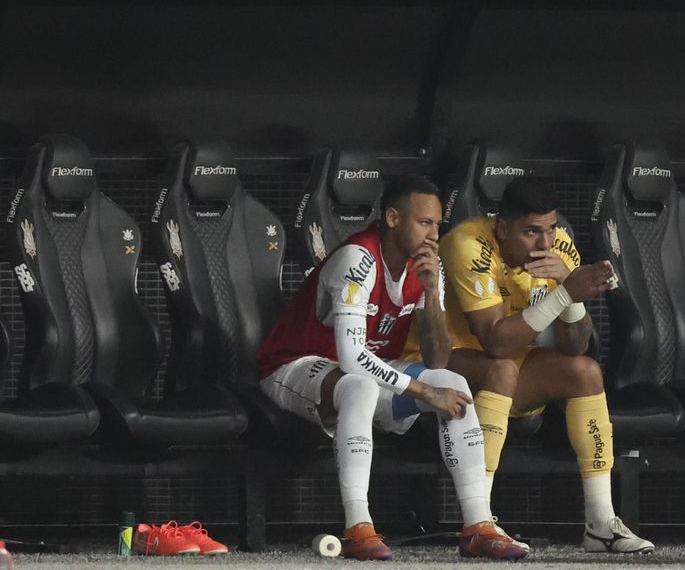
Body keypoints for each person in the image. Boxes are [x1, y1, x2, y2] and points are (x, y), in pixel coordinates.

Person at [257, 174, 527, 562]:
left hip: (369, 369)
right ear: (393, 218)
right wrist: (424, 392)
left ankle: (478, 527)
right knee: (360, 386)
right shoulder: (358, 259)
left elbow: (437, 359)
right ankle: (358, 527)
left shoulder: (428, 266)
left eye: (437, 224)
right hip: (292, 366)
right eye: (424, 222)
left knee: (452, 381)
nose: (433, 235)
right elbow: (351, 358)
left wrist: (431, 293)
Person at [440, 177, 654, 554]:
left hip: (508, 365)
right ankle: (479, 522)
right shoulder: (469, 244)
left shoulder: (560, 248)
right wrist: (566, 293)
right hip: (440, 363)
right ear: (502, 229)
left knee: (584, 372)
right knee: (501, 368)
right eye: (531, 232)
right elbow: (495, 343)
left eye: (551, 228)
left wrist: (571, 298)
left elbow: (576, 344)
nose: (545, 243)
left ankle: (600, 523)